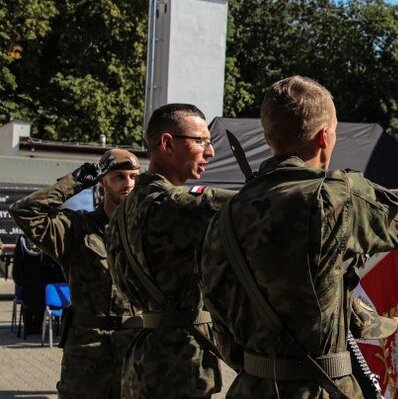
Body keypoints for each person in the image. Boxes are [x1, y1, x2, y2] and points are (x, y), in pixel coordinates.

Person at [200, 76, 398, 398]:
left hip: (251, 386)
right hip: (320, 388)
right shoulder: (333, 196)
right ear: (324, 136)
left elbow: (218, 314)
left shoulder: (224, 214)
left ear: (268, 136)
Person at [106, 103, 235, 398]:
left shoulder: (121, 214)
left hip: (142, 356)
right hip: (179, 363)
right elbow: (257, 206)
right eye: (201, 141)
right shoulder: (180, 207)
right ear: (167, 143)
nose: (211, 151)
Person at [10, 148, 142, 397]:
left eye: (133, 177)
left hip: (134, 345)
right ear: (103, 181)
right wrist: (77, 181)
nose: (128, 184)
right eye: (119, 177)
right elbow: (24, 212)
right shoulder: (75, 229)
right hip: (87, 348)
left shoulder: (144, 232)